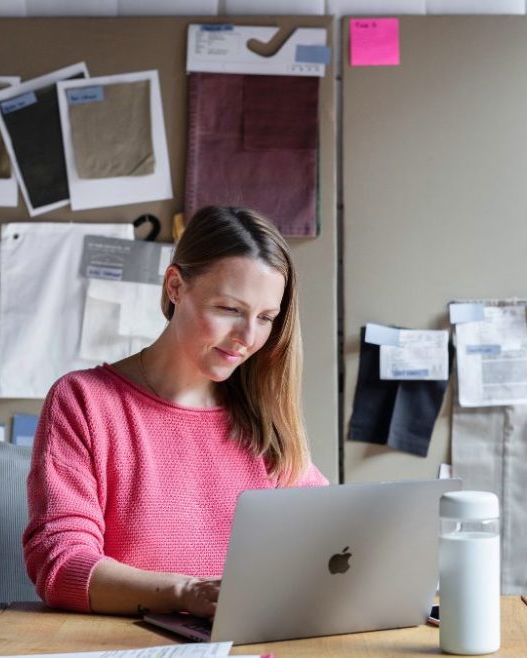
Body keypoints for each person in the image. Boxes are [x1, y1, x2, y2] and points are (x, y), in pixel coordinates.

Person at [23, 206, 329, 619]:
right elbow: (60, 566)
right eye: (229, 309)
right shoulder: (84, 401)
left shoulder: (262, 419)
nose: (247, 337)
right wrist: (186, 593)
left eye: (265, 318)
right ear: (175, 286)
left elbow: (329, 539)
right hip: (128, 642)